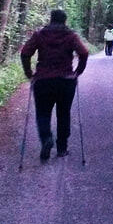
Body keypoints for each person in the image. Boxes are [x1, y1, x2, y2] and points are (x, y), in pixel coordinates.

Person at [20, 8, 88, 161]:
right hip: (66, 81)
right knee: (63, 113)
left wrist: (29, 73)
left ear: (51, 19)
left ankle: (46, 139)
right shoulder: (71, 35)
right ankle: (62, 148)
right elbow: (83, 53)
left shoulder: (39, 35)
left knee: (43, 113)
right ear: (65, 20)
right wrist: (78, 72)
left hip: (43, 80)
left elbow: (25, 53)